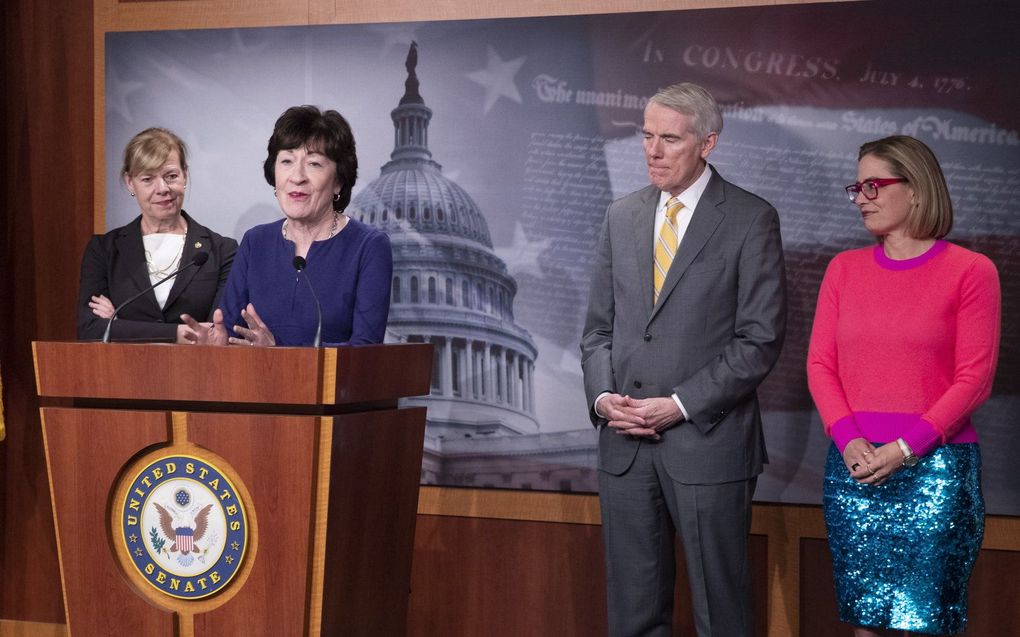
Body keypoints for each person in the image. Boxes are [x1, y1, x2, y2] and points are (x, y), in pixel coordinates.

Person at [580, 82, 787, 637]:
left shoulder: (750, 218)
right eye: (646, 136)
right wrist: (604, 401)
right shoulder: (620, 215)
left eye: (669, 138)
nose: (653, 150)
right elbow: (598, 329)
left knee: (720, 612)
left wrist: (678, 404)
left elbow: (759, 340)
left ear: (708, 143)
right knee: (634, 613)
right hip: (623, 444)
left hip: (708, 443)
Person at [807, 135, 1000, 637]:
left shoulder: (971, 271)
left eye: (874, 184)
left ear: (916, 189)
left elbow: (974, 380)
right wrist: (850, 442)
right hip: (854, 467)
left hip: (937, 470)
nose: (862, 197)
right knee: (864, 621)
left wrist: (904, 449)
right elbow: (820, 366)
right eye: (858, 187)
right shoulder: (842, 270)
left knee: (929, 621)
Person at [184, 105, 392, 347]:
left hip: (333, 386)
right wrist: (219, 345)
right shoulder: (255, 242)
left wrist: (278, 354)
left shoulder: (369, 246)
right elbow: (231, 331)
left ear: (338, 181)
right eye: (286, 161)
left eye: (314, 163)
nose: (297, 176)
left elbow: (364, 351)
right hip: (252, 384)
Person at [77, 127, 236, 342]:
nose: (162, 188)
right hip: (120, 372)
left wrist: (119, 325)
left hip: (198, 371)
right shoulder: (104, 250)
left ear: (185, 175)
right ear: (130, 182)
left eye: (171, 176)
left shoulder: (222, 251)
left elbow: (215, 335)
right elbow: (91, 329)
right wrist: (177, 333)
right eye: (147, 179)